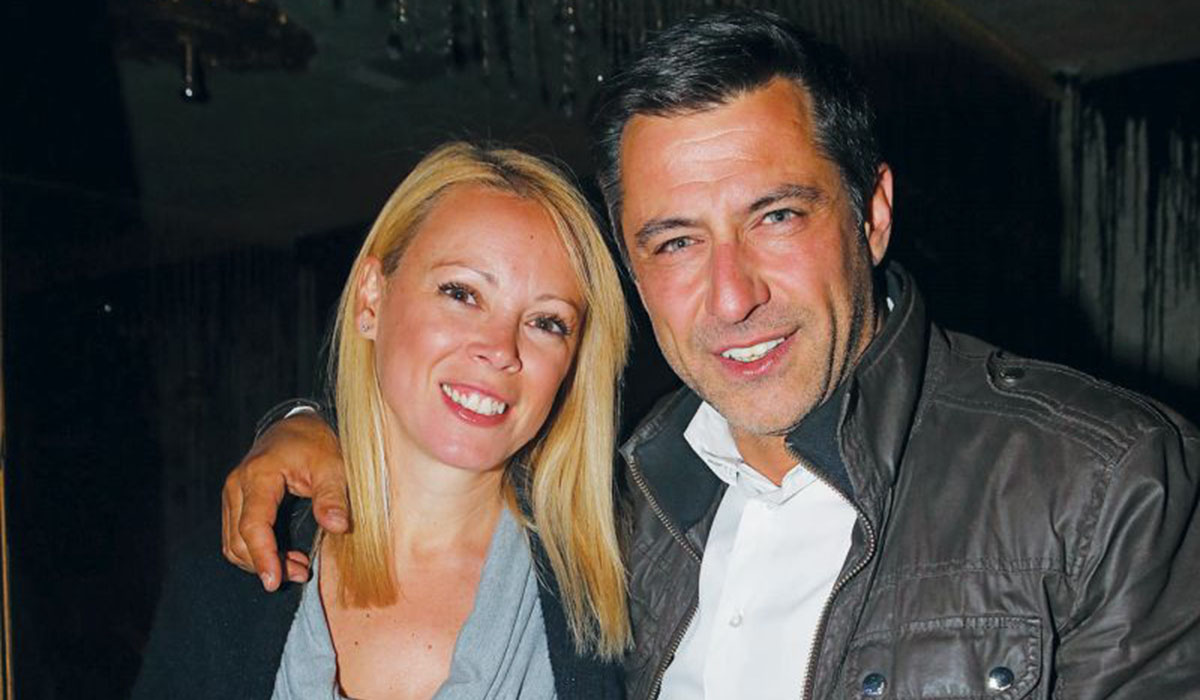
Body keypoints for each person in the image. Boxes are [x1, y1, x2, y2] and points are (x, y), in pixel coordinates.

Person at [218, 11, 1200, 699]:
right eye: (677, 241)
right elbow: (442, 442)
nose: (732, 297)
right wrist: (303, 428)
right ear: (633, 271)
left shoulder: (1100, 483)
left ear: (872, 213)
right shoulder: (618, 514)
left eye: (776, 217)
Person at [134, 143, 631, 699]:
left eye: (547, 322)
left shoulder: (626, 588)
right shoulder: (234, 571)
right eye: (462, 293)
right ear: (371, 300)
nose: (500, 349)